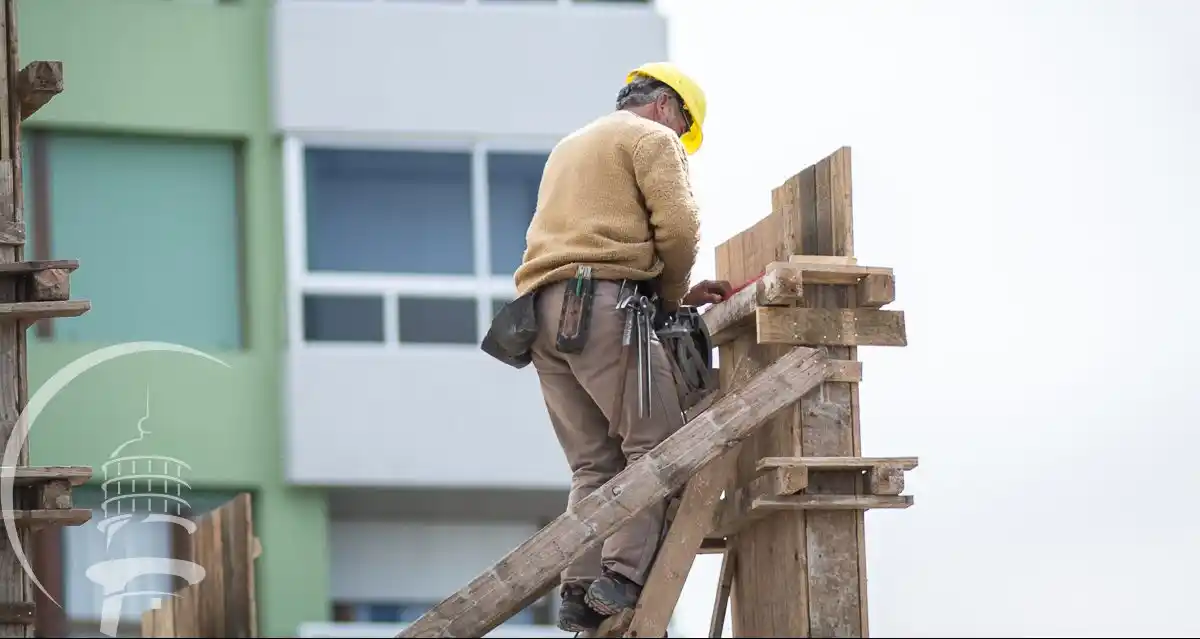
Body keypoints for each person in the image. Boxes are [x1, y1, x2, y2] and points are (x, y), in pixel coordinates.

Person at [510, 61, 732, 632]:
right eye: (684, 124)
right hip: (602, 306)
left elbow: (589, 234)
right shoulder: (652, 137)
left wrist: (667, 300)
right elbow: (680, 228)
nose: (681, 136)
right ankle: (621, 578)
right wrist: (670, 293)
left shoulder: (570, 146)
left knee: (593, 463)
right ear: (666, 105)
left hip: (541, 315)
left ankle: (579, 588)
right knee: (654, 445)